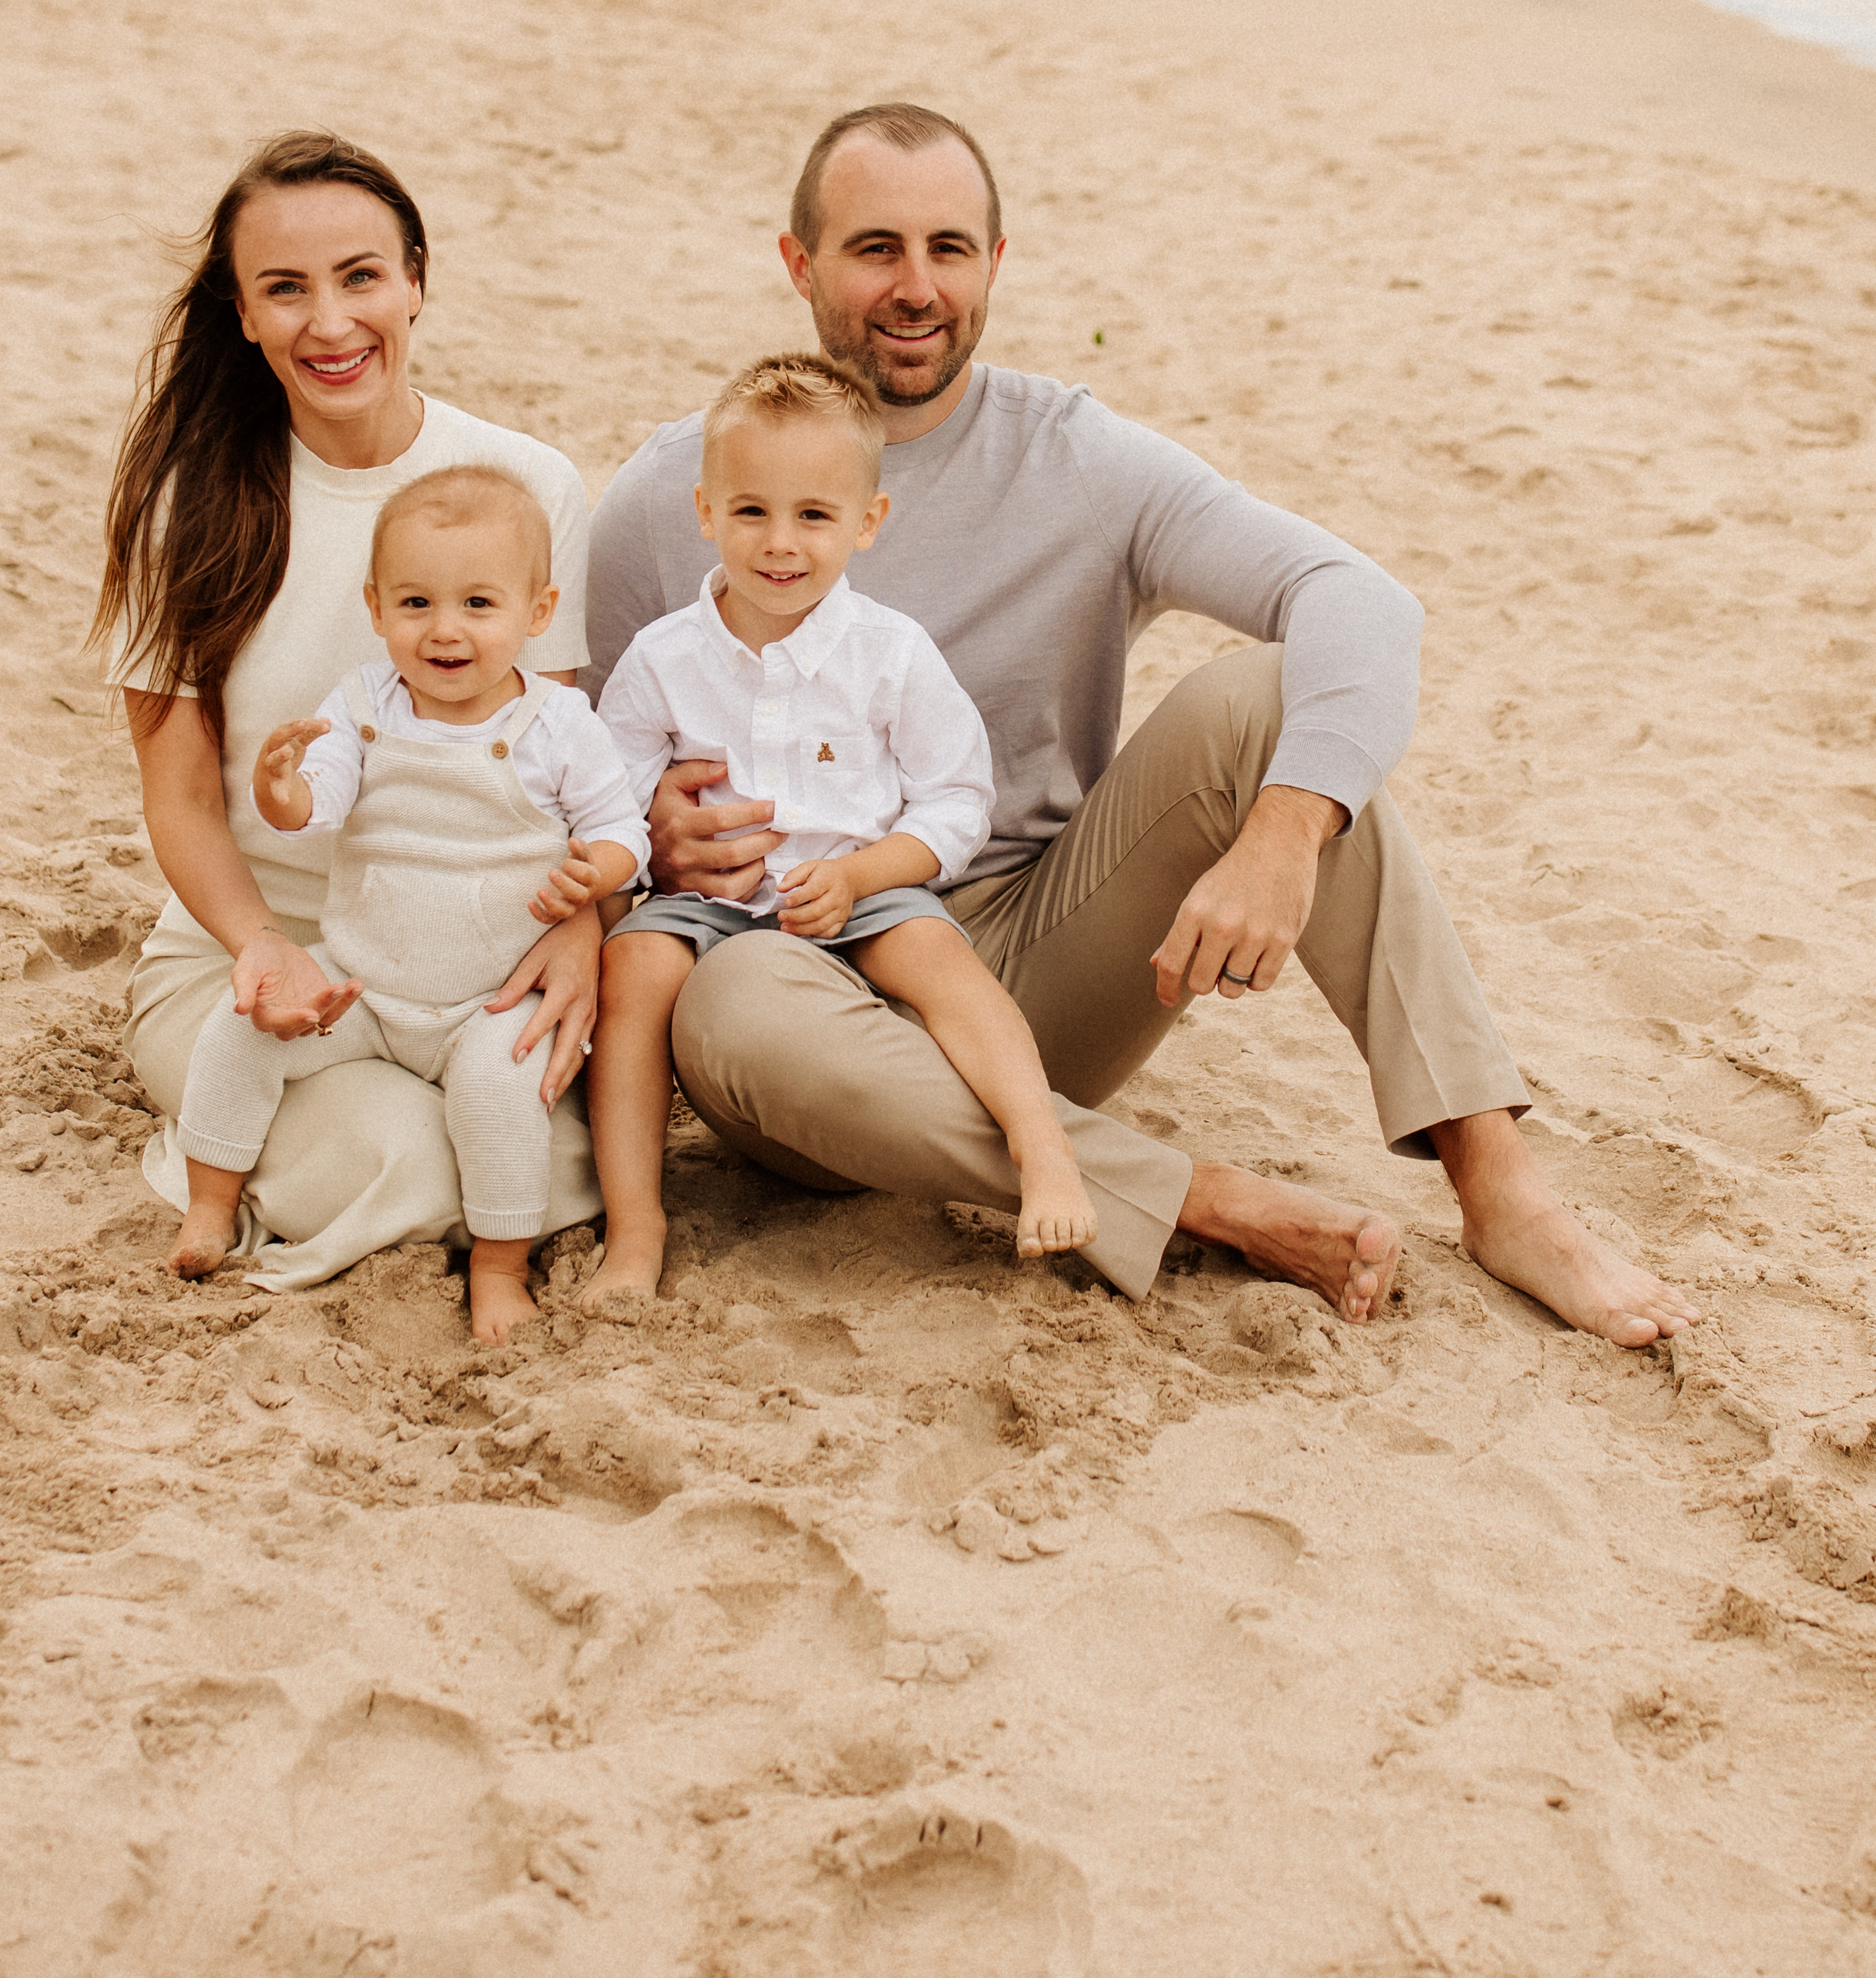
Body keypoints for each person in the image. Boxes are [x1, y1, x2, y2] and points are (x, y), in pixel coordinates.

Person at [585, 103, 1696, 1348]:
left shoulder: (1078, 460)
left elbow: (1359, 600)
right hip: (792, 992)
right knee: (723, 1004)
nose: (914, 287)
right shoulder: (663, 500)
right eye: (872, 249)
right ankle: (1197, 1202)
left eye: (948, 249)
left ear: (994, 266)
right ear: (797, 264)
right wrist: (653, 837)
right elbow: (584, 780)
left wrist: (1284, 831)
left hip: (1037, 952)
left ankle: (1502, 1189)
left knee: (1266, 699)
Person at [98, 132, 611, 1295]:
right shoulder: (190, 501)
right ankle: (222, 1143)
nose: (330, 323)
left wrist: (580, 925)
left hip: (472, 952)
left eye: (361, 277)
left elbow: (555, 760)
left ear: (416, 281)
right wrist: (260, 948)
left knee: (545, 1148)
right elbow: (176, 795)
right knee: (415, 1172)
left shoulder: (529, 482)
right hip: (249, 960)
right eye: (286, 289)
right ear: (242, 314)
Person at [579, 354, 1094, 1303]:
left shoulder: (890, 654)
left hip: (859, 888)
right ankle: (635, 1225)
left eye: (814, 516)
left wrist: (865, 877)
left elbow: (956, 800)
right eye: (751, 512)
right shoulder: (663, 659)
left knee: (942, 963)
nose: (781, 544)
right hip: (711, 908)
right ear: (705, 511)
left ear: (867, 522)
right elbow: (609, 796)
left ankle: (1042, 1144)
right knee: (634, 970)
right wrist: (645, 855)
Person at [170, 466, 647, 1338]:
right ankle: (210, 1203)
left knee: (504, 1101)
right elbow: (318, 807)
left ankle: (499, 1270)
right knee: (240, 1028)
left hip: (492, 998)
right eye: (417, 604)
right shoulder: (363, 707)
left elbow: (624, 825)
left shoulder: (558, 724)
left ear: (538, 614)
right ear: (377, 607)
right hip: (363, 980)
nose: (445, 630)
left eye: (478, 604)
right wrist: (281, 792)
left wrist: (600, 869)